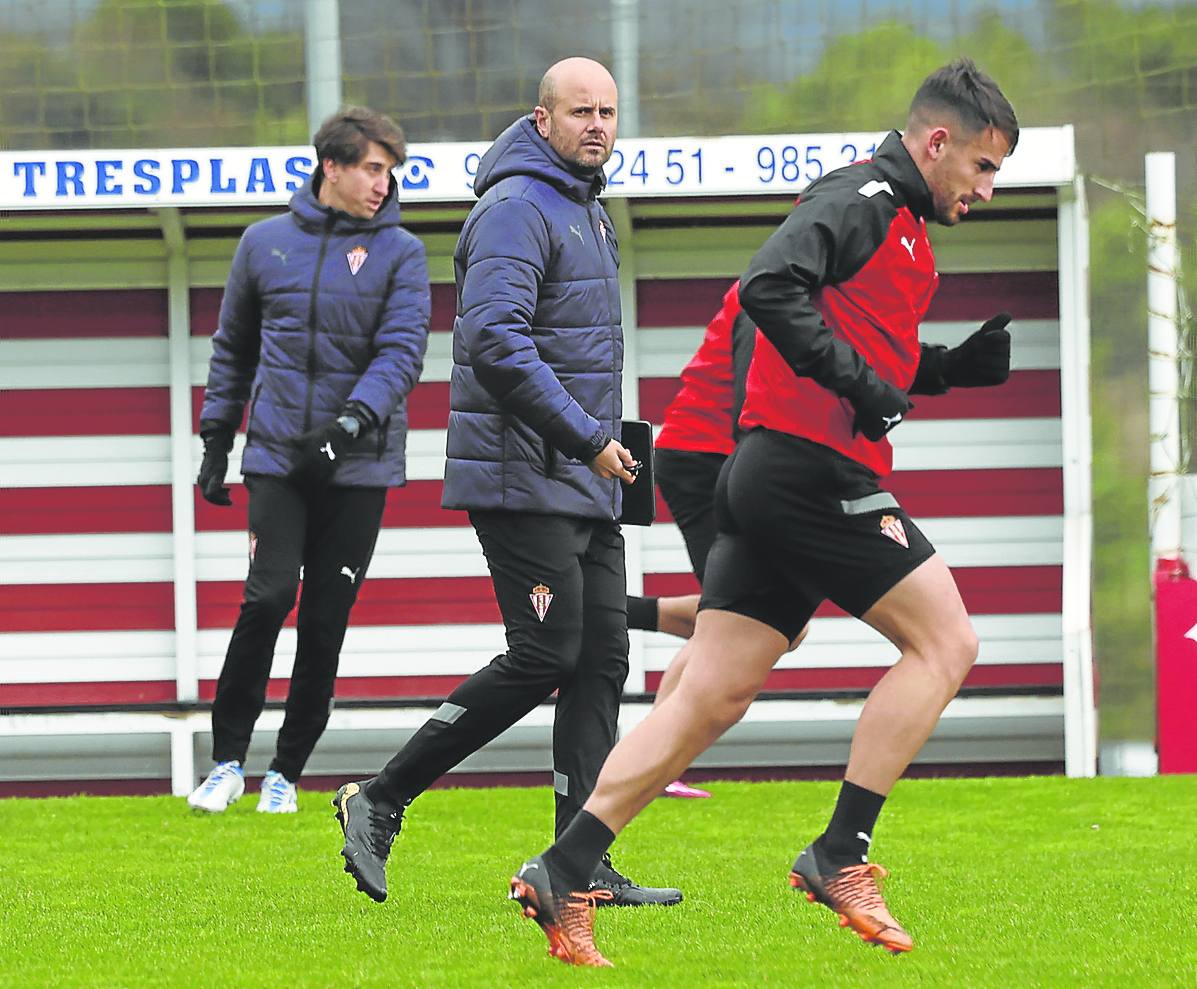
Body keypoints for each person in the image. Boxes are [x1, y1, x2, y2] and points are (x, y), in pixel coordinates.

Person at [508, 56, 1019, 966]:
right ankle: (840, 853)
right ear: (937, 142)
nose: (985, 188)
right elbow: (768, 287)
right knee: (947, 643)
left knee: (711, 694)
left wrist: (947, 370)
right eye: (982, 167)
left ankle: (563, 866)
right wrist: (861, 387)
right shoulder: (863, 197)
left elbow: (869, 351)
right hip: (806, 469)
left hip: (771, 472)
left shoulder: (902, 227)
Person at [331, 57, 682, 910]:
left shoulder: (584, 207)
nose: (596, 125)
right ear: (541, 118)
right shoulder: (517, 207)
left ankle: (579, 863)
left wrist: (600, 449)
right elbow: (493, 340)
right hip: (523, 474)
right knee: (546, 654)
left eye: (607, 112)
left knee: (601, 659)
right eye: (580, 111)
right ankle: (379, 797)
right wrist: (587, 439)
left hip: (585, 476)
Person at [186, 107, 431, 815]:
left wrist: (348, 427)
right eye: (373, 169)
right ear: (332, 166)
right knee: (266, 598)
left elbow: (401, 352)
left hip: (359, 465)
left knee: (324, 619)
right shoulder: (264, 243)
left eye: (391, 172)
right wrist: (215, 441)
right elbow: (233, 349)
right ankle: (226, 763)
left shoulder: (402, 253)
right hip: (277, 458)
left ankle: (285, 774)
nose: (384, 185)